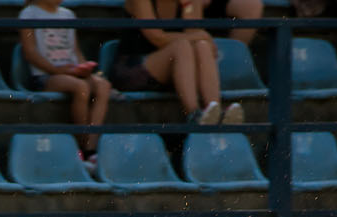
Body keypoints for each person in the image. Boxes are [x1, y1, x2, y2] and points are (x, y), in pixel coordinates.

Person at [109, 0, 258, 125]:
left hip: (174, 66)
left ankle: (214, 111)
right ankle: (193, 114)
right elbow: (156, 38)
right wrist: (200, 35)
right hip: (134, 67)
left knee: (201, 46)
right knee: (182, 46)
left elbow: (194, 34)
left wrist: (188, 5)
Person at [18, 0, 113, 163]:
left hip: (71, 73)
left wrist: (84, 69)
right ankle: (82, 149)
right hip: (45, 76)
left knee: (103, 85)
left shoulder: (68, 14)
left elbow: (75, 51)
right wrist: (59, 71)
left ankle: (91, 147)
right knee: (81, 87)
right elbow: (30, 53)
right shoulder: (28, 13)